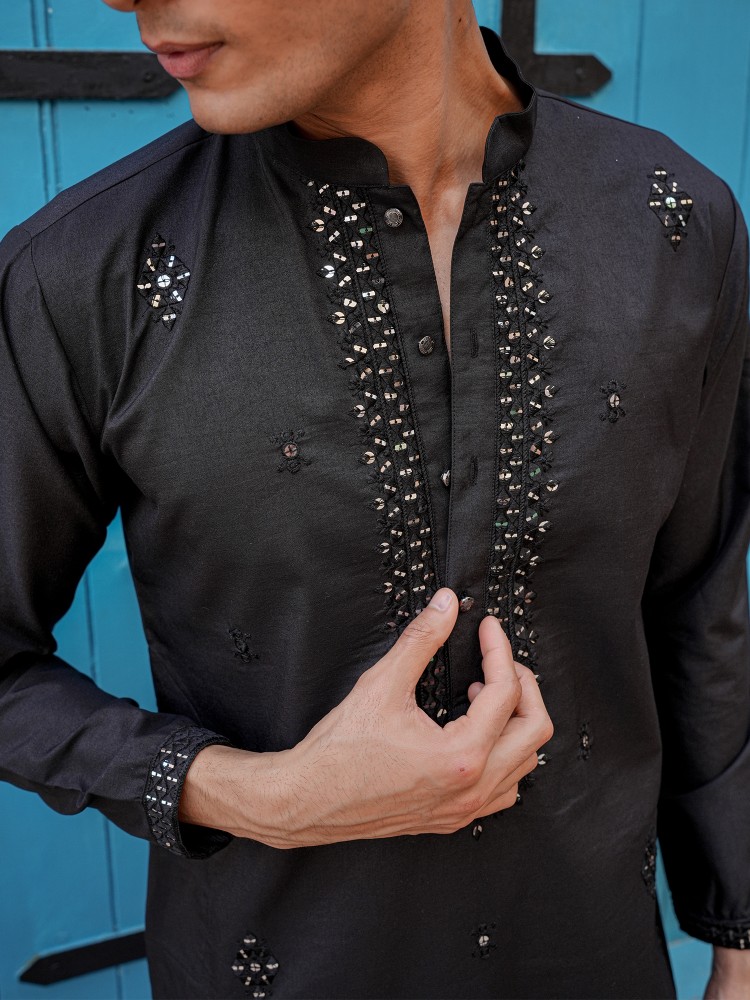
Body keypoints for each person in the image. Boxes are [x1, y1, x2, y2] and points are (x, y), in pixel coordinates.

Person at [1, 0, 749, 996]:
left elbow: (699, 599)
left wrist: (739, 944)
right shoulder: (88, 271)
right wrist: (260, 795)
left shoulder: (675, 224)